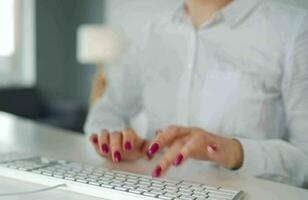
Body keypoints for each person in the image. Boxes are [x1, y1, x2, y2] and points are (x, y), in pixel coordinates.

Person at [84, 0, 308, 187]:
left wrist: (235, 152)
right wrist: (117, 141)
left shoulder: (294, 30)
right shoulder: (152, 31)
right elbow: (105, 111)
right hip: (151, 188)